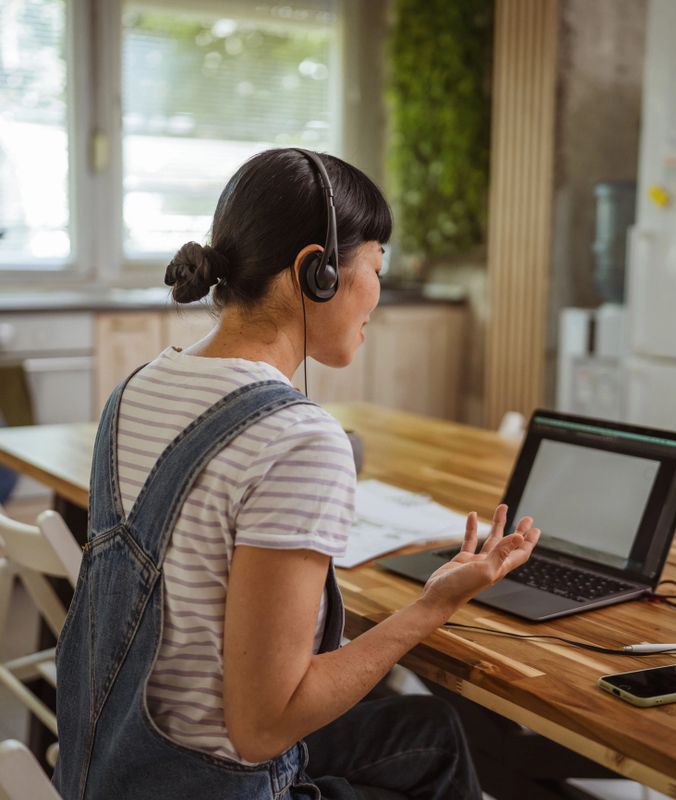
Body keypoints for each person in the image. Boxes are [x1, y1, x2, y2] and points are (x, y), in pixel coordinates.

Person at [53, 148, 540, 800]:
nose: (379, 294)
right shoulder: (298, 439)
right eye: (375, 267)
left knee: (431, 731)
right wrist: (432, 605)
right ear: (317, 273)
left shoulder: (137, 386)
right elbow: (262, 729)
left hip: (110, 772)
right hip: (211, 786)